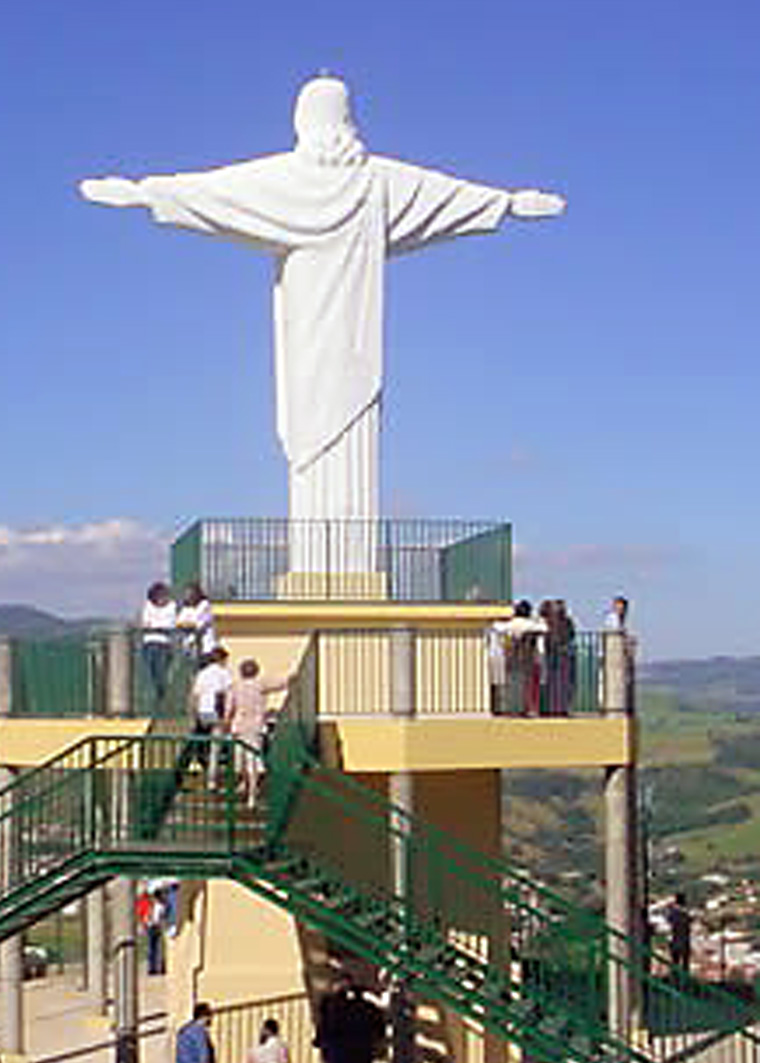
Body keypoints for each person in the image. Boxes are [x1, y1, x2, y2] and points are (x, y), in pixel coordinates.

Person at [80, 76, 564, 527]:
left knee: (344, 418)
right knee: (315, 422)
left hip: (351, 332)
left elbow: (215, 190)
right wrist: (507, 203)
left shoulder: (369, 181)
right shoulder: (355, 180)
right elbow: (216, 192)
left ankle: (342, 555)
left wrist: (146, 193)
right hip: (314, 329)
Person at [315, 973, 386, 1063]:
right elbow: (378, 1024)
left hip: (343, 1044)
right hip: (357, 1044)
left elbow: (325, 1023)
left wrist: (321, 1039)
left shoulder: (331, 1004)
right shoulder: (366, 1006)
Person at [226, 659, 288, 809]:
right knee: (252, 761)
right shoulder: (260, 685)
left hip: (239, 726)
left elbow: (228, 709)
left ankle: (243, 784)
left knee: (240, 760)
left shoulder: (234, 687)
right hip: (255, 727)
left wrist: (226, 724)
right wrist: (291, 677)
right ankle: (252, 796)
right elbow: (280, 684)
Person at [177, 647, 233, 788]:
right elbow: (228, 694)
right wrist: (227, 716)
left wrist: (193, 713)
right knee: (215, 747)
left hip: (203, 712)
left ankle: (190, 768)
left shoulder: (202, 674)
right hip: (216, 712)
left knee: (201, 743)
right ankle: (211, 780)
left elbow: (194, 696)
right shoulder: (224, 673)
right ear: (221, 659)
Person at [491, 600, 547, 716]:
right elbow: (544, 628)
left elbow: (496, 627)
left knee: (512, 685)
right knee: (529, 687)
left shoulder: (510, 625)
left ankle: (511, 708)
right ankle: (530, 709)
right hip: (529, 660)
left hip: (512, 659)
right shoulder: (531, 625)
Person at [141, 581, 179, 709]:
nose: (161, 598)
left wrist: (156, 626)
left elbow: (170, 624)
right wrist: (157, 626)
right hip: (149, 642)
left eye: (163, 595)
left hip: (163, 644)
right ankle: (153, 699)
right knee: (150, 673)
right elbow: (146, 623)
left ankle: (162, 698)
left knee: (161, 673)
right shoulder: (148, 606)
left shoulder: (172, 606)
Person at [176, 582, 217, 663]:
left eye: (191, 594)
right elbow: (179, 623)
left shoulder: (205, 605)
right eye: (187, 594)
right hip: (190, 648)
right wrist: (188, 625)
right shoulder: (186, 609)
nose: (189, 596)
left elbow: (202, 624)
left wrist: (190, 625)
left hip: (205, 647)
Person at [666, 892, 693, 976]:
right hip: (685, 941)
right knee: (685, 965)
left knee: (675, 963)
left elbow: (668, 922)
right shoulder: (686, 914)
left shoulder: (672, 913)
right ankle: (684, 983)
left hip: (675, 940)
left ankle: (675, 980)